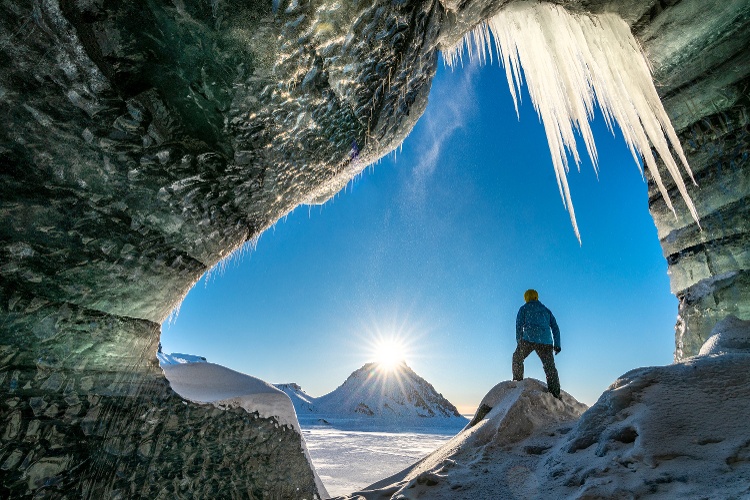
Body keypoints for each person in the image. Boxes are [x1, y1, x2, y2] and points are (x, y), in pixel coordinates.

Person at [513, 289, 562, 399]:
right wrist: (557, 344)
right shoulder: (546, 310)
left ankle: (517, 383)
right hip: (546, 341)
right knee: (550, 367)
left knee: (517, 358)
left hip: (529, 339)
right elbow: (555, 327)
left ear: (526, 297)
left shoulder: (524, 308)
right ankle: (555, 394)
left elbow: (519, 326)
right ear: (536, 297)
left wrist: (519, 342)